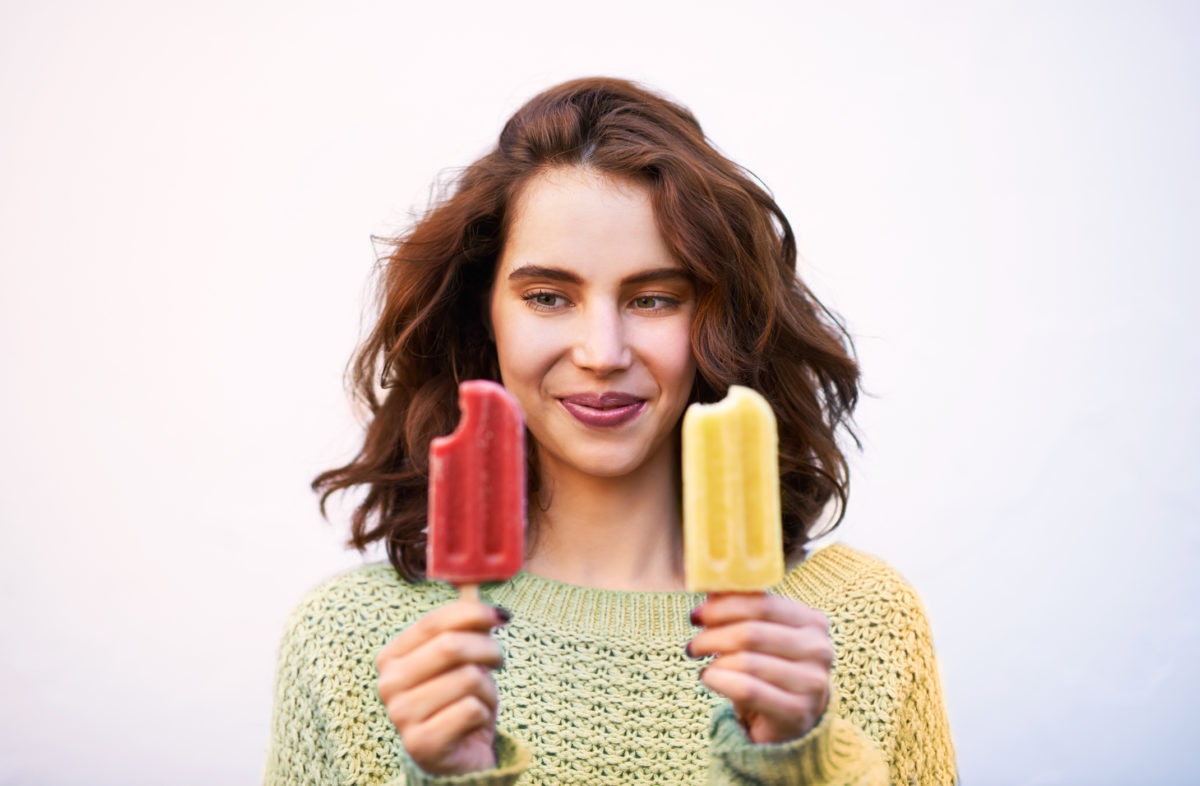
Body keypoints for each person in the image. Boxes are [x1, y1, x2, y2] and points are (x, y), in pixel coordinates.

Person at [264, 77, 957, 785]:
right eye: (547, 297)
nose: (602, 352)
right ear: (485, 316)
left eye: (653, 298)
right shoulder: (348, 641)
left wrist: (803, 764)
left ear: (717, 320)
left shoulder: (861, 623)